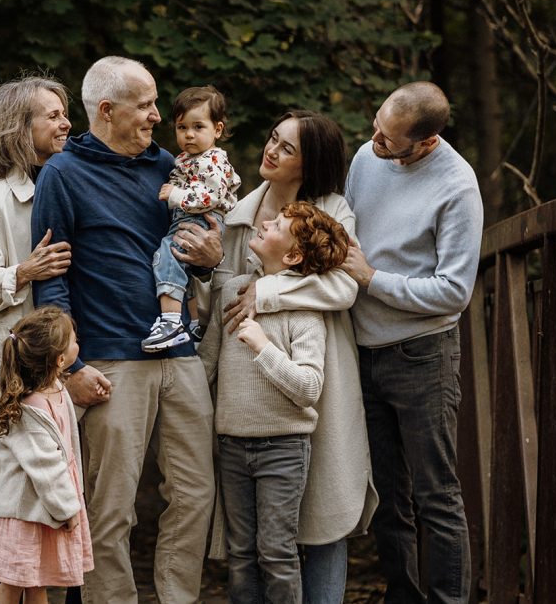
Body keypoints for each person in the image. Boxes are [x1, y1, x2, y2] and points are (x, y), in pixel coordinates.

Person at [31, 55, 222, 604]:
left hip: (179, 352)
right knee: (108, 507)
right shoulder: (62, 174)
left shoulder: (169, 166)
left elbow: (191, 249)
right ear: (108, 111)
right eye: (145, 105)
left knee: (194, 494)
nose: (158, 116)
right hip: (110, 362)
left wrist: (209, 261)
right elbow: (52, 280)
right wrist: (71, 366)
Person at [206, 111, 377, 604]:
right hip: (247, 399)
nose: (271, 150)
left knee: (324, 506)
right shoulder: (241, 215)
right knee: (255, 538)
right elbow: (223, 299)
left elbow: (343, 285)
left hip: (316, 371)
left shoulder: (332, 211)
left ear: (310, 164)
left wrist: (269, 291)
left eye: (286, 148)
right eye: (272, 138)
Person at [340, 81, 483, 604]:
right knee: (387, 498)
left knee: (436, 495)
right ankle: (403, 596)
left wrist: (372, 279)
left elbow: (454, 291)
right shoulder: (366, 157)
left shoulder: (457, 185)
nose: (374, 141)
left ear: (424, 142)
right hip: (361, 350)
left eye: (388, 139)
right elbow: (345, 233)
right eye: (376, 127)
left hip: (423, 355)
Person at [0, 74, 99, 602]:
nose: (67, 123)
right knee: (19, 496)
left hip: (72, 366)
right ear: (20, 128)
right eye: (53, 115)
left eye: (67, 113)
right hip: (18, 375)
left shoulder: (79, 181)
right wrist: (23, 272)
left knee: (68, 490)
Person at [200, 201, 350, 602]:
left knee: (277, 553)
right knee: (242, 555)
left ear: (293, 255)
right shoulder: (233, 291)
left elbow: (308, 388)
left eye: (278, 225)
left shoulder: (305, 311)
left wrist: (263, 346)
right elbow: (207, 364)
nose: (266, 222)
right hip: (232, 445)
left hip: (283, 449)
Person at [0, 306, 94, 604]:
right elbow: (46, 466)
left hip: (46, 508)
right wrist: (67, 509)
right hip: (26, 513)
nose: (78, 344)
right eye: (74, 340)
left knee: (38, 582)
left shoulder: (56, 388)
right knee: (12, 584)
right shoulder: (31, 408)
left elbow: (65, 440)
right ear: (60, 360)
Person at [142, 85, 240, 351]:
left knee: (167, 256)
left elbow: (209, 195)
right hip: (190, 218)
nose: (189, 134)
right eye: (182, 127)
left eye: (198, 127)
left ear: (217, 130)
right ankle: (194, 323)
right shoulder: (188, 159)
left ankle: (171, 321)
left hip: (202, 218)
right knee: (183, 270)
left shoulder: (212, 160)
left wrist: (176, 195)